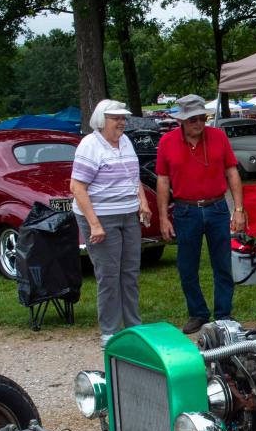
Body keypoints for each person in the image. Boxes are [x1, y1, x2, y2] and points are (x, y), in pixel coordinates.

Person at [155, 94, 246, 334]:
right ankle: (198, 312)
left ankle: (224, 314)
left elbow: (232, 172)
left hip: (216, 207)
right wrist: (163, 217)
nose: (198, 123)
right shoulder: (166, 142)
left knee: (222, 264)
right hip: (185, 209)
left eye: (202, 118)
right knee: (186, 266)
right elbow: (163, 181)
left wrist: (238, 209)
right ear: (181, 121)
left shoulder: (218, 137)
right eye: (193, 119)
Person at [70, 99, 151, 348]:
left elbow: (133, 177)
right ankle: (110, 332)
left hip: (128, 214)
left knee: (130, 272)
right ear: (101, 120)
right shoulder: (90, 145)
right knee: (109, 275)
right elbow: (77, 187)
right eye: (116, 118)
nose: (121, 122)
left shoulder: (125, 141)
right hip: (101, 215)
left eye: (123, 118)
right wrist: (95, 225)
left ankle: (133, 327)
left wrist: (143, 202)